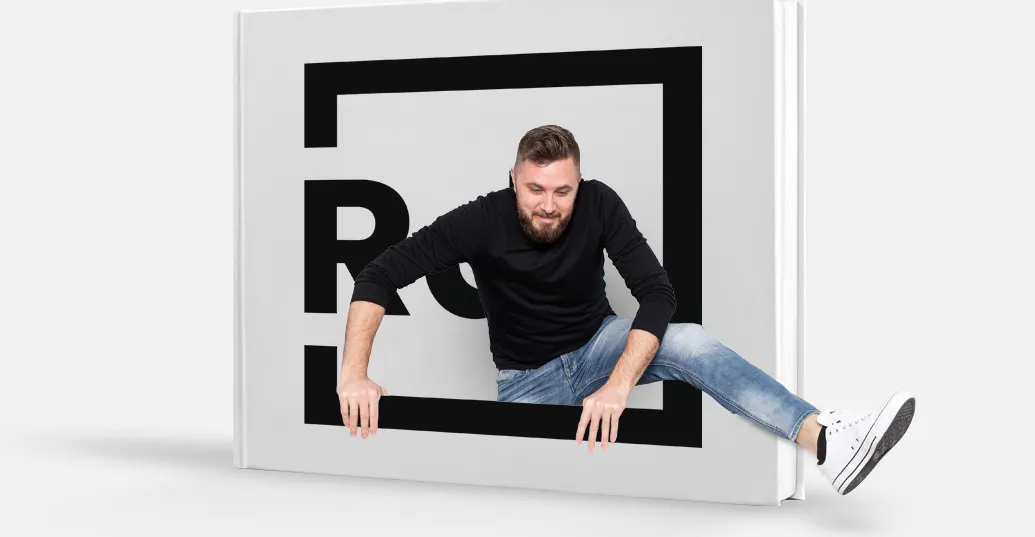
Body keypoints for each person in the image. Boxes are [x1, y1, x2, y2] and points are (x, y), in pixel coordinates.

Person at [336, 125, 915, 496]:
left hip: (599, 345)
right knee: (541, 503)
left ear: (578, 182)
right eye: (535, 189)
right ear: (513, 178)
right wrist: (353, 373)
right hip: (526, 382)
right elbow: (379, 273)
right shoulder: (477, 220)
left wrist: (616, 386)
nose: (548, 205)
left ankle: (824, 441)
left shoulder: (599, 203)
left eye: (562, 191)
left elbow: (658, 294)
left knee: (688, 340)